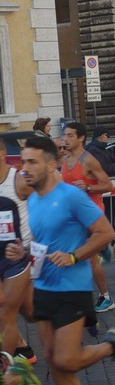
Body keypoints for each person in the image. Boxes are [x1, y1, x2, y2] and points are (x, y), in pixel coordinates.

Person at [6, 136, 115, 385]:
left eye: (32, 162)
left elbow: (104, 233)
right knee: (54, 361)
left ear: (52, 164)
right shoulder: (33, 199)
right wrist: (24, 252)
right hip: (43, 286)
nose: (24, 169)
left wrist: (74, 256)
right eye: (23, 162)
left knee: (66, 359)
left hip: (72, 289)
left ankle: (112, 345)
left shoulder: (70, 196)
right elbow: (45, 244)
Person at [62, 122, 115, 313]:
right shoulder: (66, 159)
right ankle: (102, 246)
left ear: (81, 138)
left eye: (70, 136)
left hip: (91, 213)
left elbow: (108, 185)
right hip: (74, 214)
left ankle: (105, 297)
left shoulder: (89, 160)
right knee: (75, 254)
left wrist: (87, 187)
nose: (66, 139)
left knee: (87, 258)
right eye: (65, 135)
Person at [0, 137, 37, 365]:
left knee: (8, 313)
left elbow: (46, 200)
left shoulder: (19, 181)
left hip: (18, 258)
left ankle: (5, 371)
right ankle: (22, 347)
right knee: (25, 311)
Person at [86, 126, 115, 234]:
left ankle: (112, 232)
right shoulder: (94, 150)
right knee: (107, 211)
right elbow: (105, 168)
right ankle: (109, 233)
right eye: (107, 136)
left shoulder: (100, 148)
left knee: (110, 211)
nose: (108, 138)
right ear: (102, 136)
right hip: (102, 187)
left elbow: (110, 159)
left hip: (107, 187)